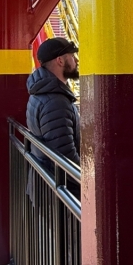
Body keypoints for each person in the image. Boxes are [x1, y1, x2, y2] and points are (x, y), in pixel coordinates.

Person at [26, 37, 81, 178]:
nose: (76, 61)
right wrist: (89, 181)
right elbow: (66, 161)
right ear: (60, 61)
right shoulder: (56, 103)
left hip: (45, 180)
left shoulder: (40, 90)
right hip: (61, 190)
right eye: (72, 56)